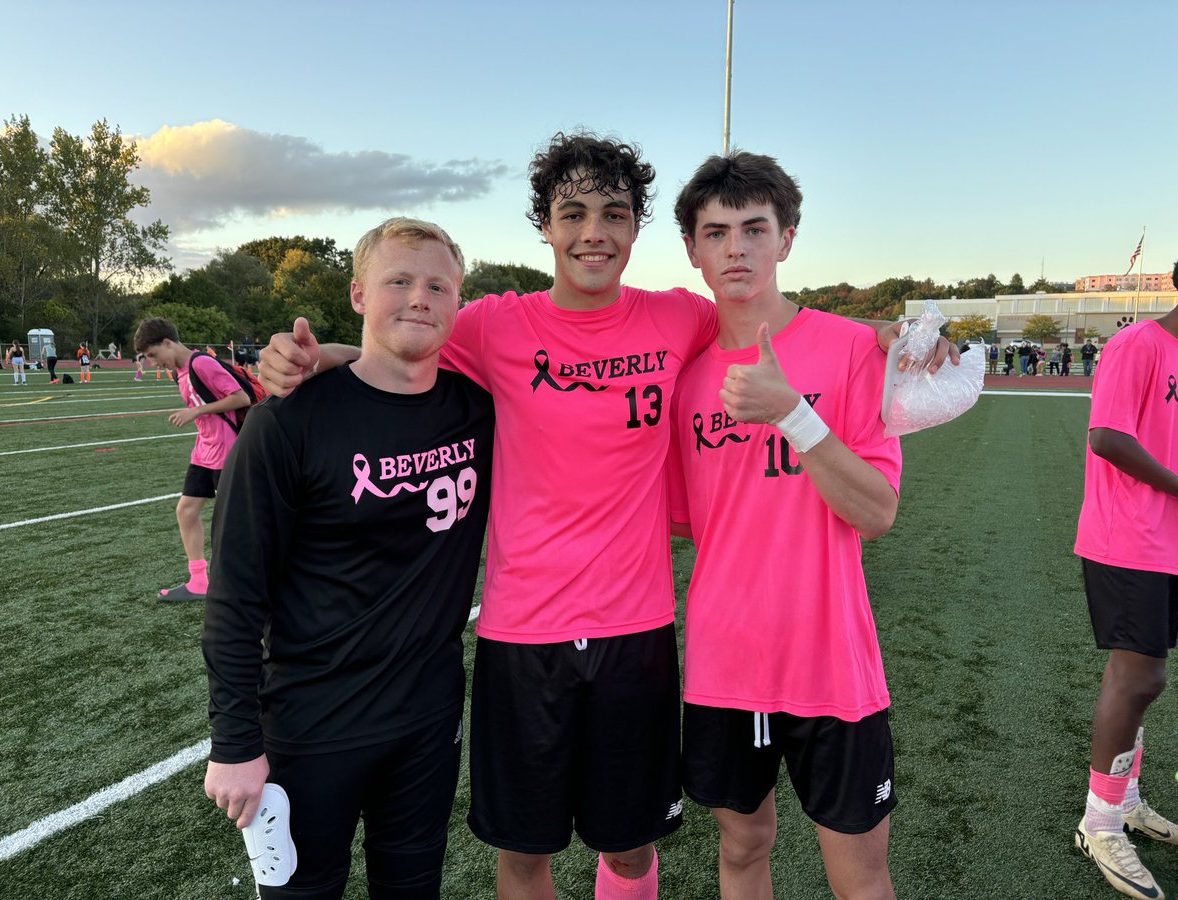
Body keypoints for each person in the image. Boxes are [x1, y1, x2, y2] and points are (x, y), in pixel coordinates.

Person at [258, 133, 955, 900]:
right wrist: (308, 357)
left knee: (629, 850)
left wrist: (884, 337)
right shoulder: (494, 325)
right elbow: (397, 339)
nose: (594, 231)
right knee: (526, 854)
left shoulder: (678, 320)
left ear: (637, 230)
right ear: (547, 228)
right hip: (523, 635)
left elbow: (777, 328)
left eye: (614, 214)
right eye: (574, 213)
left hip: (639, 633)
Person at [203, 219, 493, 899]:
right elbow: (237, 596)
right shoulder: (288, 422)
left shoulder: (480, 410)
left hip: (427, 716)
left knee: (413, 888)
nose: (419, 297)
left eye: (437, 285)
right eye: (399, 281)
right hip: (312, 724)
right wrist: (235, 742)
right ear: (359, 293)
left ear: (459, 302)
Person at [667, 151, 901, 899]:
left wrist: (794, 414)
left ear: (787, 239)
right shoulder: (686, 376)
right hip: (725, 661)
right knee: (741, 850)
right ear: (694, 250)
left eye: (754, 228)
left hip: (832, 660)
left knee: (859, 875)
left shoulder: (853, 348)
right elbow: (683, 520)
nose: (737, 247)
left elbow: (876, 511)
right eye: (717, 232)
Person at [1072, 259, 1178, 900]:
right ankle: (1100, 821)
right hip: (1128, 535)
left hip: (1168, 540)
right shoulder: (1138, 342)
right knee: (1139, 675)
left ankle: (1127, 798)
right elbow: (1107, 436)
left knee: (1144, 681)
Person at [134, 317, 250, 601]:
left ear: (167, 343)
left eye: (152, 355)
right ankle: (199, 581)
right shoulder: (180, 371)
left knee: (235, 521)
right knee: (186, 511)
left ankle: (246, 581)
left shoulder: (201, 363)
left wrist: (196, 412)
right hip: (204, 450)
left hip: (227, 450)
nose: (151, 362)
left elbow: (241, 398)